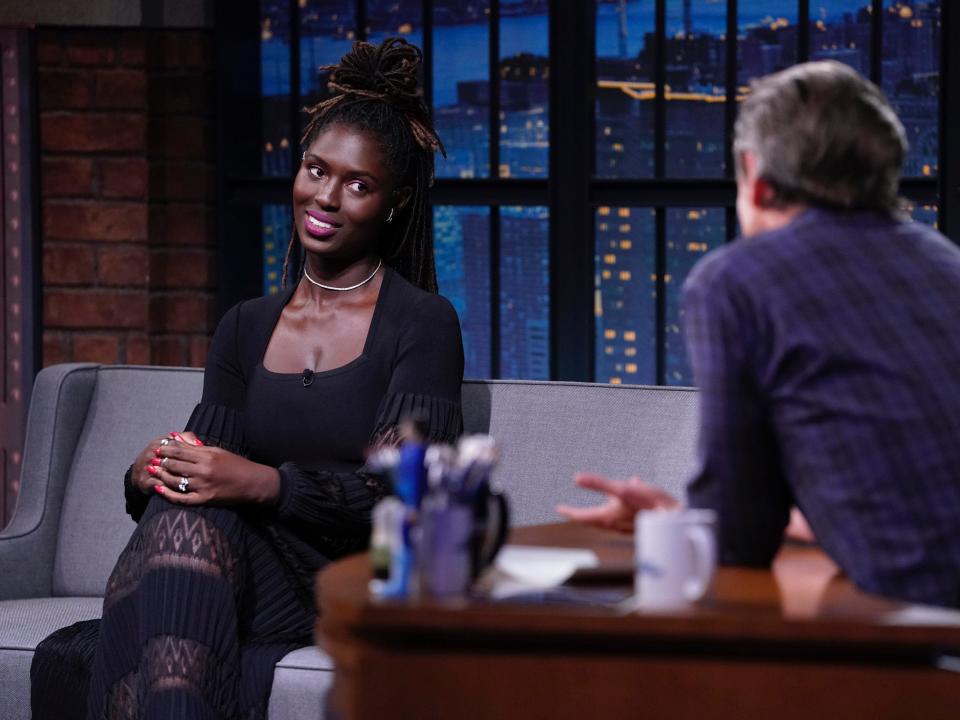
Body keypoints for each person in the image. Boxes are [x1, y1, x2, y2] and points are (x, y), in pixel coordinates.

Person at [31, 37, 464, 719]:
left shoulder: (423, 323)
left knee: (184, 544)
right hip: (234, 567)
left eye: (358, 184)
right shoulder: (246, 325)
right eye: (316, 170)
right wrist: (154, 471)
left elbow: (404, 504)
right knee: (185, 515)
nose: (326, 196)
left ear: (394, 202)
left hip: (350, 576)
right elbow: (206, 477)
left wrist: (265, 482)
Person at [559, 60, 960, 608]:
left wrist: (696, 522)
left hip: (913, 637)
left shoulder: (735, 282)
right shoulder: (945, 262)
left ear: (756, 175)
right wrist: (685, 518)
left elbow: (743, 537)